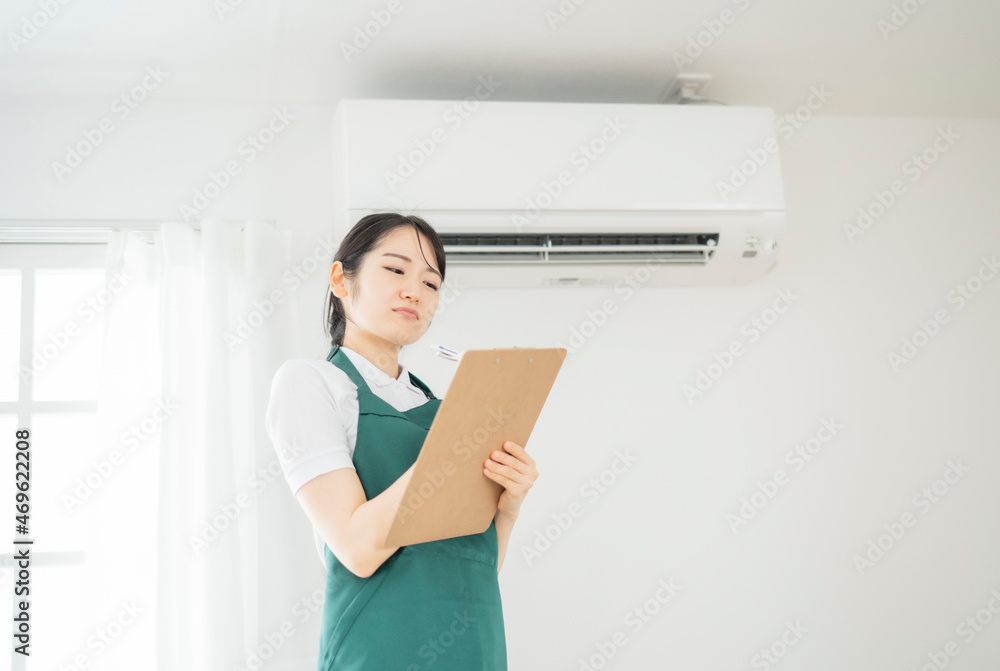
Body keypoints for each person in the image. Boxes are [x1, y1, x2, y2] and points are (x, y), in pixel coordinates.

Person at [265, 212, 539, 670]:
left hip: (477, 650)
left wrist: (508, 509)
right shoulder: (311, 384)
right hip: (378, 652)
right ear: (340, 279)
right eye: (395, 270)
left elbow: (471, 566)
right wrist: (451, 453)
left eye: (431, 284)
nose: (415, 292)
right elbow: (357, 549)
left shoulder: (447, 411)